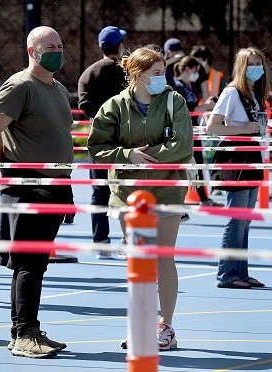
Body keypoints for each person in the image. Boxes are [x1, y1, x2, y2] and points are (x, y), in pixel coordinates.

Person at [88, 47, 193, 350]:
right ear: (138, 75)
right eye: (157, 73)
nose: (163, 77)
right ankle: (142, 322)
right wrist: (127, 155)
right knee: (138, 261)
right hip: (127, 196)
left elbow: (183, 145)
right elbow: (97, 147)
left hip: (167, 191)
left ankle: (167, 326)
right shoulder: (113, 107)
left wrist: (147, 157)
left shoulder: (174, 102)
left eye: (163, 71)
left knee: (164, 258)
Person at [0, 26, 73, 359]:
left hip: (55, 184)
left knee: (38, 262)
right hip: (29, 185)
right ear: (33, 51)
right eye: (50, 46)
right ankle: (23, 334)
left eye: (60, 45)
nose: (58, 50)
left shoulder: (57, 87)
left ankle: (27, 329)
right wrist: (1, 166)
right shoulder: (19, 85)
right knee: (28, 263)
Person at [205, 47, 268, 289]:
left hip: (252, 156)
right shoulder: (232, 92)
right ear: (241, 67)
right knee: (236, 218)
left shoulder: (254, 93)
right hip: (236, 159)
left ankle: (241, 271)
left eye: (258, 63)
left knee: (245, 219)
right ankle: (227, 274)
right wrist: (244, 130)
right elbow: (213, 126)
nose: (256, 68)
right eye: (250, 64)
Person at [78, 25, 126, 259]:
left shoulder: (88, 73)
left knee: (99, 191)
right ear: (120, 46)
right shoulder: (126, 71)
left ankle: (101, 241)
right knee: (129, 188)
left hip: (98, 138)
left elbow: (84, 105)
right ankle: (130, 239)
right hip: (126, 137)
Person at [172, 55, 221, 207]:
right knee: (179, 166)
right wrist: (206, 107)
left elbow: (194, 107)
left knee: (198, 164)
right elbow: (185, 108)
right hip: (182, 130)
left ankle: (204, 198)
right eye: (196, 70)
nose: (198, 74)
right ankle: (174, 200)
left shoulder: (189, 85)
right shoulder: (177, 85)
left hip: (194, 129)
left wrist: (206, 105)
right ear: (188, 68)